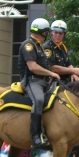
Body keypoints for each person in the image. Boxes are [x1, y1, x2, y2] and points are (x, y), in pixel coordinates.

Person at [17, 18, 60, 148]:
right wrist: (51, 73)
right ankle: (35, 136)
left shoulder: (38, 45)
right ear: (44, 32)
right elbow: (33, 67)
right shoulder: (29, 45)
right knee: (39, 100)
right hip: (32, 81)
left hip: (44, 82)